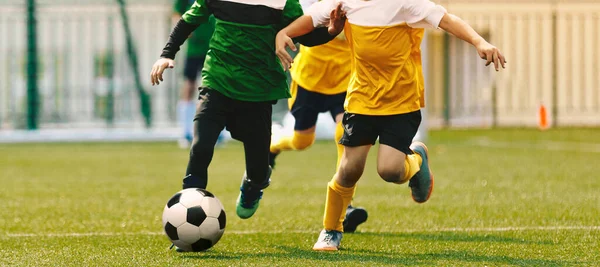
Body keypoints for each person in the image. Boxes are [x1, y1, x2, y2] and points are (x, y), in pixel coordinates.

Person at [275, 0, 506, 251]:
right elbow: (311, 19)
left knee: (390, 170)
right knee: (349, 169)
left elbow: (446, 19)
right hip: (361, 100)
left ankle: (416, 161)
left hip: (401, 101)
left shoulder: (405, 3)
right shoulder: (344, 3)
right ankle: (331, 230)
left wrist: (479, 42)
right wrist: (284, 33)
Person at [150, 0, 347, 225]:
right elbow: (189, 20)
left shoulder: (284, 2)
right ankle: (186, 214)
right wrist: (167, 54)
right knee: (201, 146)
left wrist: (331, 31)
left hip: (258, 91)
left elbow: (303, 34)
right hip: (218, 80)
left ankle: (254, 184)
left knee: (258, 168)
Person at [269, 0, 367, 234]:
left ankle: (346, 203)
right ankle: (272, 145)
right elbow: (303, 24)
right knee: (302, 141)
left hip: (345, 77)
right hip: (309, 80)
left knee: (345, 132)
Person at [172, 0, 224, 148]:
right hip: (195, 48)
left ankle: (216, 132)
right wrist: (184, 30)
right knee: (189, 86)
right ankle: (186, 131)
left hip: (216, 45)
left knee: (215, 87)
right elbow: (176, 14)